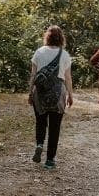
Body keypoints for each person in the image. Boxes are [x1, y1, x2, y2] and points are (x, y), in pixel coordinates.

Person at [28, 25, 74, 169]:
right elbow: (68, 77)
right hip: (58, 94)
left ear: (47, 37)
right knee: (55, 127)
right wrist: (70, 94)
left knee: (40, 121)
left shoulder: (39, 52)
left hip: (40, 93)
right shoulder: (64, 54)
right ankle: (50, 160)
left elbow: (33, 75)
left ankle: (39, 144)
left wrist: (30, 92)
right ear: (61, 38)